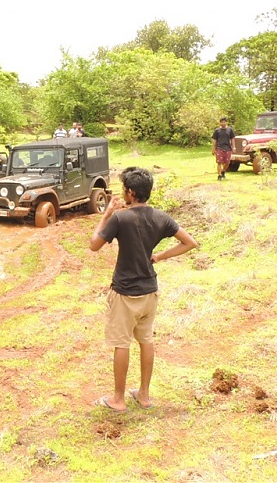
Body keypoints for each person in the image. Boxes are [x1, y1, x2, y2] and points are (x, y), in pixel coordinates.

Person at [89, 167, 197, 411]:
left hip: (125, 292)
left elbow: (94, 245)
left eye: (124, 189)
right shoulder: (161, 217)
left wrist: (106, 214)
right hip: (150, 291)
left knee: (122, 343)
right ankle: (144, 395)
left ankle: (118, 399)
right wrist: (158, 257)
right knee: (146, 340)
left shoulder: (120, 218)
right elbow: (190, 242)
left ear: (131, 192)